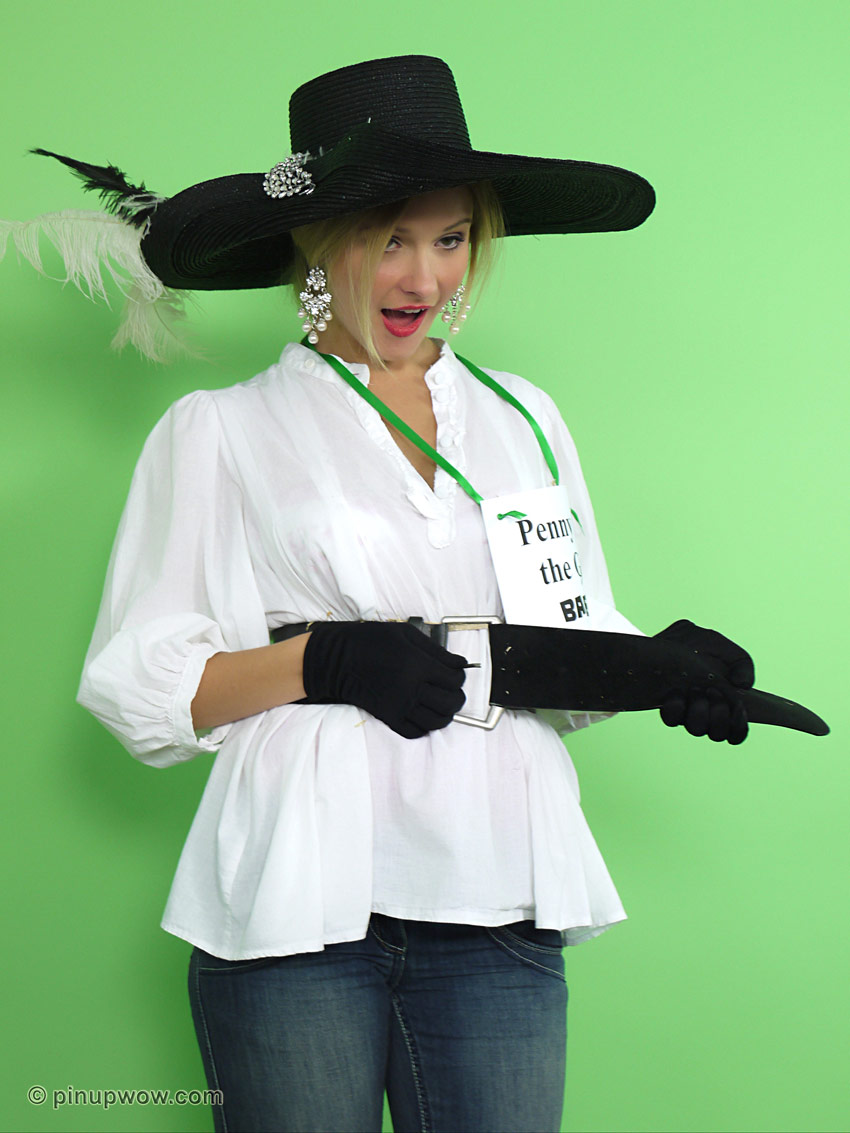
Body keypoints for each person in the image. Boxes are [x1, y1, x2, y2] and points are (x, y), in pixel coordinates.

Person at [1, 54, 827, 1133]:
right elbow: (144, 689)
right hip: (300, 895)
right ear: (315, 239)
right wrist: (321, 660)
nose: (425, 278)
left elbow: (563, 629)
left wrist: (659, 666)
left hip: (497, 885)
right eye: (389, 238)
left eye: (452, 238)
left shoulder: (524, 417)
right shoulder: (221, 429)